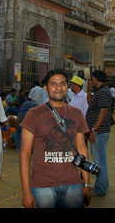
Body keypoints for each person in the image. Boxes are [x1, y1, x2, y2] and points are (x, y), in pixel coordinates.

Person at [20, 68, 92, 208]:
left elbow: (82, 150)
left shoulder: (76, 114)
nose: (58, 88)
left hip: (72, 184)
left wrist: (87, 184)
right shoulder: (34, 114)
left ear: (67, 87)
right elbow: (25, 154)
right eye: (53, 84)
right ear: (46, 88)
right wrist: (26, 192)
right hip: (42, 186)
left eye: (63, 83)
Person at [86, 69, 113, 197]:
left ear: (96, 78)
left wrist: (93, 129)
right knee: (100, 158)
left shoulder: (103, 92)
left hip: (99, 131)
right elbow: (91, 104)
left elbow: (103, 112)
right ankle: (103, 184)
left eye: (92, 78)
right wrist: (88, 89)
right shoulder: (100, 91)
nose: (91, 80)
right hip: (99, 131)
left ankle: (100, 188)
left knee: (99, 161)